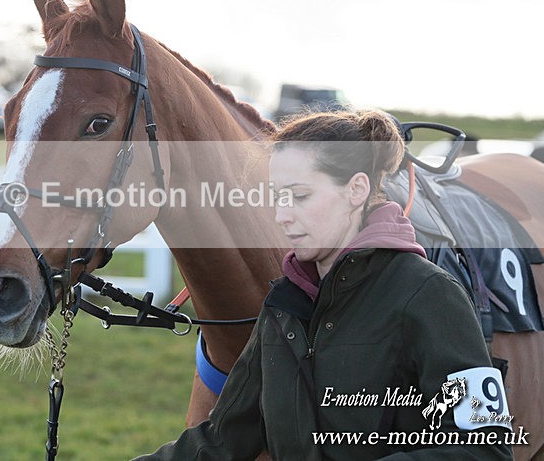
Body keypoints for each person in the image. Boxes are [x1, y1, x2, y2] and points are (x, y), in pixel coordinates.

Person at [136, 110, 511, 459]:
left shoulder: (430, 294)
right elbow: (222, 440)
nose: (281, 216)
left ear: (357, 189)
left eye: (300, 196)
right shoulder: (283, 305)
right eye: (278, 198)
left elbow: (486, 447)